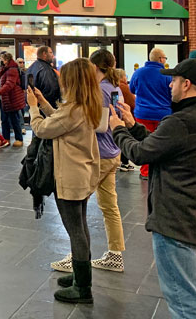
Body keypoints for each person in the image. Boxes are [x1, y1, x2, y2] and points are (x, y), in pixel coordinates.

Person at [110, 59, 196, 319]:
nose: (170, 86)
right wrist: (133, 125)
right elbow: (163, 147)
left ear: (186, 84)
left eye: (174, 81)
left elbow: (141, 154)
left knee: (185, 300)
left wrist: (118, 130)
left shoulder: (181, 122)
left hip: (176, 220)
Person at [27, 58, 101, 304]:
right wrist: (45, 103)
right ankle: (82, 276)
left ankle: (82, 288)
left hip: (70, 176)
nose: (60, 80)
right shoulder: (86, 105)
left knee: (75, 230)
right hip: (83, 173)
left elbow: (42, 129)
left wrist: (33, 108)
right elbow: (60, 121)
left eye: (64, 78)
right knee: (80, 226)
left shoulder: (73, 109)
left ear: (73, 81)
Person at [51, 50, 126, 274]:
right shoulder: (114, 87)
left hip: (99, 154)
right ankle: (115, 253)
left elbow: (101, 125)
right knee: (109, 206)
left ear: (95, 67)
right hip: (113, 151)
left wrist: (75, 122)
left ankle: (77, 258)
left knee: (77, 211)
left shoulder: (100, 90)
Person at [129, 48, 172, 179]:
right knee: (163, 142)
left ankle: (145, 171)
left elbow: (132, 89)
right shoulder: (167, 74)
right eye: (165, 58)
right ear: (160, 59)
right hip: (163, 114)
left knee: (145, 142)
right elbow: (172, 93)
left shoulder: (139, 73)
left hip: (143, 114)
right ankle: (161, 170)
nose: (165, 60)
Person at [0, 52, 25, 147]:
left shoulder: (12, 69)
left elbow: (9, 84)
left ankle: (19, 139)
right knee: (4, 119)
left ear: (6, 59)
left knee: (14, 119)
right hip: (5, 99)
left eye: (1, 59)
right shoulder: (5, 69)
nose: (0, 61)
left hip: (12, 98)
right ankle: (5, 139)